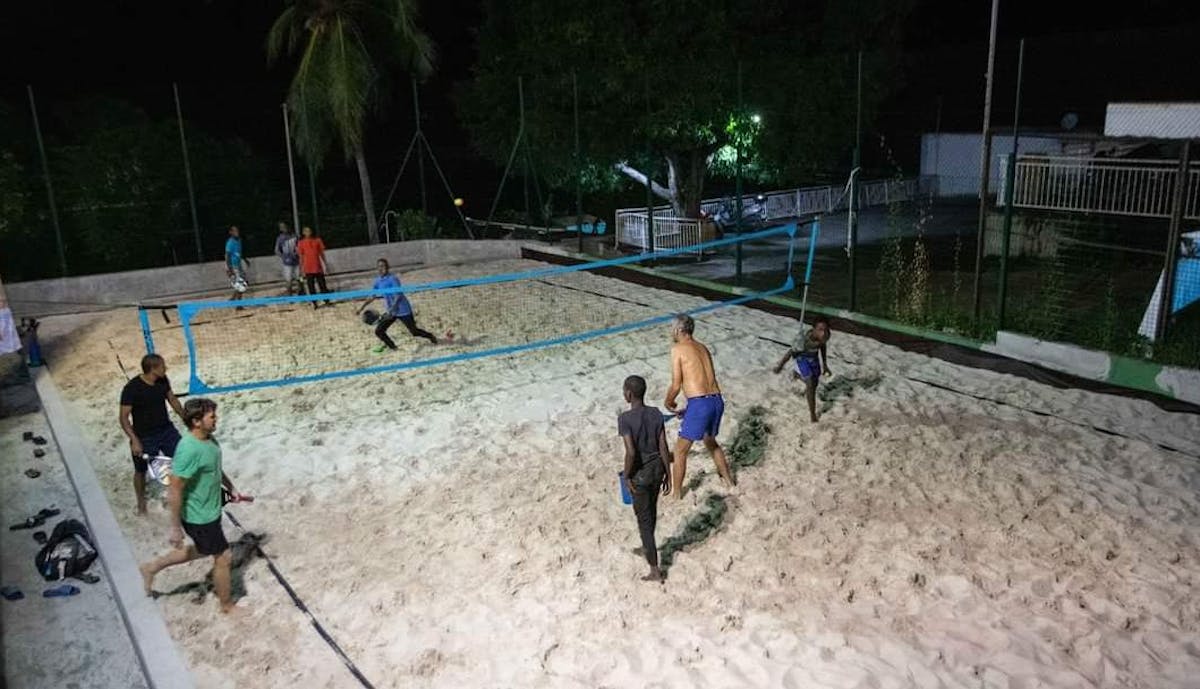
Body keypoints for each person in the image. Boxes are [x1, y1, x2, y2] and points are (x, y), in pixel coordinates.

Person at [139, 398, 251, 614]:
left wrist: (231, 489)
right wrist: (175, 528)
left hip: (210, 509)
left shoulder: (209, 440)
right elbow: (174, 488)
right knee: (223, 557)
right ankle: (226, 605)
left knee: (202, 550)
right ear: (197, 421)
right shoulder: (189, 450)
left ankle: (151, 568)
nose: (216, 418)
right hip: (199, 517)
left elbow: (214, 467)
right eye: (212, 416)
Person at [664, 314, 735, 498]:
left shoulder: (678, 349)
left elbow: (676, 384)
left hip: (700, 404)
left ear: (679, 330)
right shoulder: (703, 348)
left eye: (672, 328)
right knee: (711, 442)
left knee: (680, 451)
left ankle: (677, 494)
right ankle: (729, 481)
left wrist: (668, 401)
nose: (671, 332)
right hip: (716, 401)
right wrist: (691, 408)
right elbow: (703, 381)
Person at [618, 375, 671, 582]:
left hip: (641, 474)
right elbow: (663, 446)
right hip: (658, 469)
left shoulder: (625, 419)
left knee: (644, 520)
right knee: (652, 510)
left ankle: (655, 569)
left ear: (629, 394)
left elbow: (631, 452)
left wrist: (627, 475)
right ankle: (647, 546)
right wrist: (668, 472)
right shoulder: (656, 413)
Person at [119, 354, 185, 516]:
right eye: (162, 366)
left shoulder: (163, 380)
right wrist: (134, 440)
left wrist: (186, 417)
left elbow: (172, 400)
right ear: (153, 369)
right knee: (141, 471)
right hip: (144, 436)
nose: (166, 368)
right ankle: (141, 505)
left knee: (183, 458)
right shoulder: (132, 388)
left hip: (166, 430)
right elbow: (123, 417)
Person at [355, 258, 437, 352]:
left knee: (414, 332)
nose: (381, 268)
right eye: (379, 267)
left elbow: (398, 295)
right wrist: (361, 308)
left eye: (383, 266)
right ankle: (393, 348)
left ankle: (430, 336)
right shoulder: (378, 281)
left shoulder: (393, 279)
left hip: (403, 310)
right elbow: (372, 296)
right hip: (392, 312)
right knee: (379, 331)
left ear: (387, 267)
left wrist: (392, 308)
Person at [773, 316, 832, 423]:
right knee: (810, 384)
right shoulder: (803, 339)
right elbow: (790, 353)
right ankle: (812, 414)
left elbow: (823, 346)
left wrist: (825, 364)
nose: (823, 333)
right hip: (802, 358)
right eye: (820, 330)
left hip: (814, 359)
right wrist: (780, 366)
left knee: (814, 383)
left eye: (825, 330)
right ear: (814, 329)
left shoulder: (825, 336)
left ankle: (798, 375)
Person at [296, 226, 332, 308]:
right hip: (308, 268)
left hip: (317, 267)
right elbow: (301, 257)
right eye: (306, 231)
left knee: (322, 285)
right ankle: (314, 302)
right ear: (304, 233)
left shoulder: (317, 240)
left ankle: (326, 300)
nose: (308, 233)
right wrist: (301, 269)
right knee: (311, 286)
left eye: (309, 231)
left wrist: (325, 264)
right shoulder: (301, 243)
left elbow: (322, 253)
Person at [224, 226, 250, 308]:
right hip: (233, 265)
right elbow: (227, 256)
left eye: (237, 231)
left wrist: (245, 259)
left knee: (242, 283)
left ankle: (233, 299)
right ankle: (238, 304)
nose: (237, 233)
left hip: (238, 265)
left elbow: (239, 252)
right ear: (231, 232)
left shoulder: (239, 240)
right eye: (235, 231)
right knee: (241, 283)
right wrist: (229, 268)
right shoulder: (230, 242)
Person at [274, 222, 301, 295]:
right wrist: (283, 257)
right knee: (288, 279)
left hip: (297, 261)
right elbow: (276, 250)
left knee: (299, 278)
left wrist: (298, 253)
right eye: (282, 227)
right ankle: (290, 294)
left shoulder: (295, 236)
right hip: (287, 263)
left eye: (285, 226)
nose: (284, 228)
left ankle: (301, 292)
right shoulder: (280, 238)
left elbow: (300, 246)